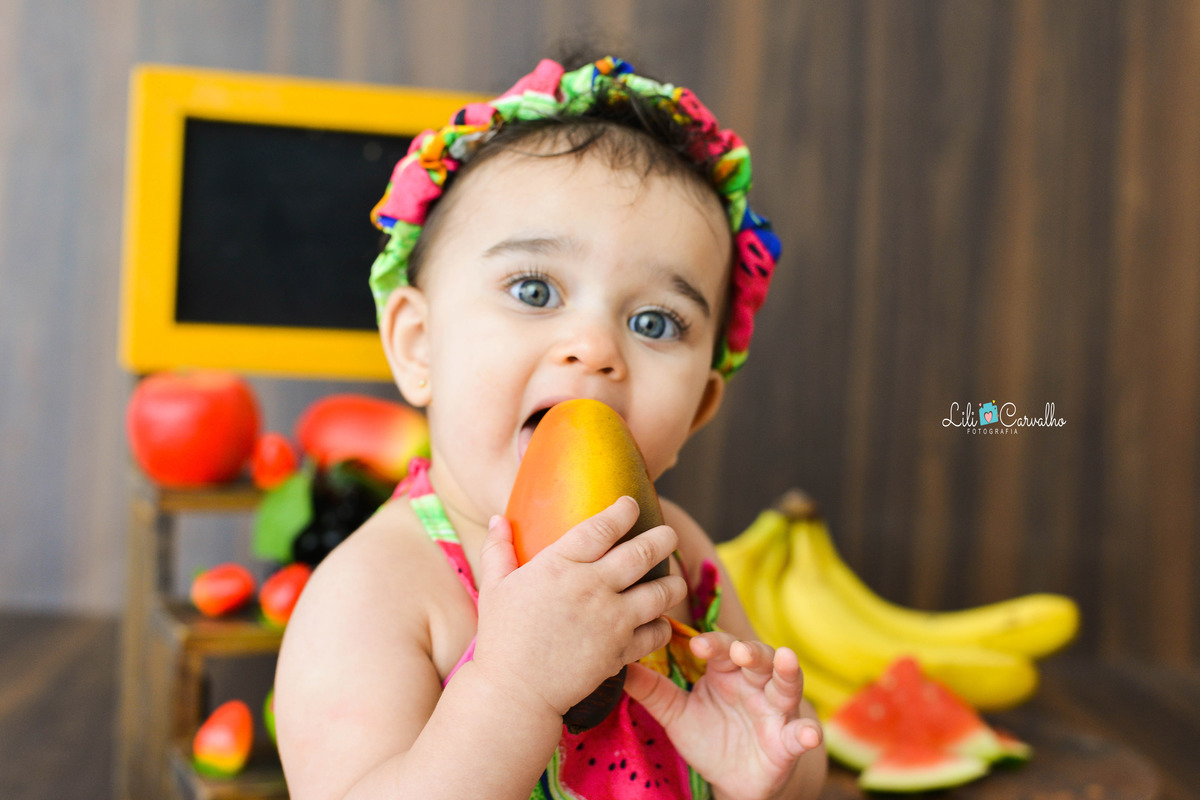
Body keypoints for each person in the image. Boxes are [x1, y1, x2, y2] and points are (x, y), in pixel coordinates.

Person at [275, 54, 827, 800]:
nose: (596, 348)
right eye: (535, 290)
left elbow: (795, 772)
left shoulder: (682, 559)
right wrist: (513, 690)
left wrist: (767, 767)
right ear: (417, 345)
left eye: (655, 321)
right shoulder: (380, 591)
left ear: (697, 408)